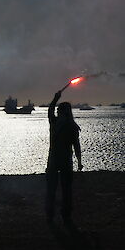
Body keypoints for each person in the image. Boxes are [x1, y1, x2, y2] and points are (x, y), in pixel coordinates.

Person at [46, 90, 83, 225]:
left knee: (51, 188)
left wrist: (55, 98)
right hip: (66, 160)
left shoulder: (54, 123)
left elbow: (49, 111)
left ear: (59, 111)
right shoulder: (72, 127)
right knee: (66, 189)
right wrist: (79, 161)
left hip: (54, 159)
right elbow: (76, 146)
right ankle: (66, 215)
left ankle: (50, 214)